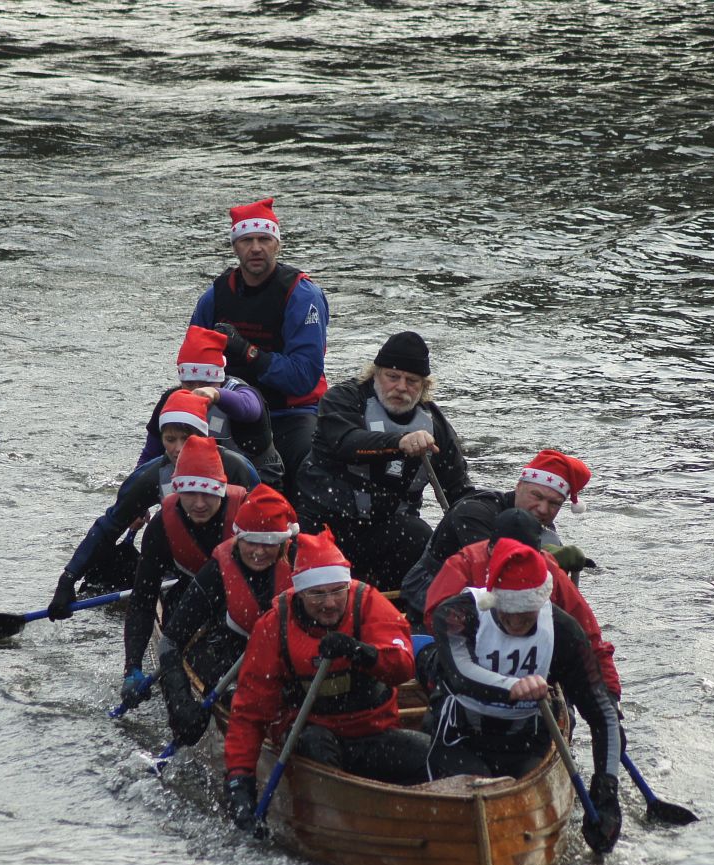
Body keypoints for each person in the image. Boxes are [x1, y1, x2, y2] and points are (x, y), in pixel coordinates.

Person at [222, 527, 430, 832]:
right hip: (311, 735)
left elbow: (403, 668)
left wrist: (361, 652)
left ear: (348, 585)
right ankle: (337, 824)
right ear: (300, 593)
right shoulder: (274, 626)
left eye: (336, 591)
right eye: (317, 594)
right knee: (315, 743)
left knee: (431, 756)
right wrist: (240, 781)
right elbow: (250, 713)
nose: (329, 603)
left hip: (372, 733)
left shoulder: (368, 603)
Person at [424, 538, 622, 854]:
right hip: (461, 737)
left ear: (541, 601)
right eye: (508, 611)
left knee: (515, 802)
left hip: (526, 742)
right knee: (476, 795)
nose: (516, 621)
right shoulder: (458, 613)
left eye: (526, 612)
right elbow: (461, 675)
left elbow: (602, 715)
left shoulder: (563, 630)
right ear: (493, 598)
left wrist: (606, 791)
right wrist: (511, 687)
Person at [291, 331, 475, 591]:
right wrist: (399, 443)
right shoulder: (342, 399)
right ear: (375, 374)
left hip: (386, 530)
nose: (401, 387)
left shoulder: (436, 426)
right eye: (393, 376)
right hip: (326, 524)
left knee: (422, 537)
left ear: (423, 386)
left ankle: (406, 605)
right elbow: (346, 443)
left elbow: (458, 491)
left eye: (412, 381)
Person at [47, 391, 257, 618]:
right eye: (170, 440)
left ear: (204, 435)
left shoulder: (237, 469)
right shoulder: (150, 476)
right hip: (183, 569)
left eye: (186, 438)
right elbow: (109, 527)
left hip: (238, 565)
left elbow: (267, 524)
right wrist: (68, 579)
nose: (178, 449)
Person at [186, 197, 329, 494]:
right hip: (231, 409)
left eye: (264, 239)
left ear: (277, 244)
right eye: (246, 240)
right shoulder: (215, 296)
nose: (255, 248)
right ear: (234, 247)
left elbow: (303, 378)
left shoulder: (302, 296)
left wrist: (246, 351)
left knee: (309, 466)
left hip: (290, 413)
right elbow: (191, 367)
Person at [154, 484, 298, 750]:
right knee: (237, 695)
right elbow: (171, 640)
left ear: (282, 542)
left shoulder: (302, 561)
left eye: (268, 543)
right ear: (238, 538)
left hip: (289, 659)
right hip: (230, 656)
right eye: (250, 542)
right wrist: (180, 702)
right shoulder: (217, 570)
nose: (258, 552)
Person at [422, 508, 621, 699]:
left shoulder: (550, 570)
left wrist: (610, 692)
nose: (515, 567)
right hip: (470, 663)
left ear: (537, 555)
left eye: (523, 558)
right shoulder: (464, 563)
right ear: (490, 548)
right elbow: (436, 622)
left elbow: (591, 638)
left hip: (536, 668)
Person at [119, 436, 248, 707]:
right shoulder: (161, 528)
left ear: (223, 490)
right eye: (190, 493)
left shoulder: (247, 515)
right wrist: (132, 667)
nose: (199, 504)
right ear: (177, 490)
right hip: (189, 600)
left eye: (208, 493)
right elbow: (142, 602)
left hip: (243, 599)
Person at [400, 448, 594, 623]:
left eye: (554, 503)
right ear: (519, 486)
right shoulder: (474, 511)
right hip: (430, 597)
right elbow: (493, 566)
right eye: (537, 496)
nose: (543, 509)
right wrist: (550, 558)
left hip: (501, 602)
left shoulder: (544, 526)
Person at [137, 324, 283, 488]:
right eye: (189, 384)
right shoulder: (170, 400)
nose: (197, 390)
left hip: (255, 482)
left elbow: (250, 408)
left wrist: (215, 394)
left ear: (219, 378)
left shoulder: (243, 394)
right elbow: (149, 457)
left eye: (205, 383)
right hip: (196, 484)